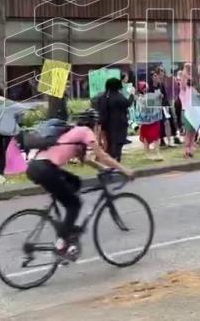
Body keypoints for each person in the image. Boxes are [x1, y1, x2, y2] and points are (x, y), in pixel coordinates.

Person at [26, 110, 134, 260]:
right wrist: (124, 170)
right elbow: (102, 155)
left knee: (75, 182)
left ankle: (67, 229)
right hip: (46, 169)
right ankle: (62, 245)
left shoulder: (72, 133)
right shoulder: (85, 132)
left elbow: (86, 160)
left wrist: (105, 169)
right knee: (74, 204)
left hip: (35, 167)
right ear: (94, 125)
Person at [95, 77, 133, 161]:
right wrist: (132, 95)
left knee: (108, 144)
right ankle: (115, 162)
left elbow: (99, 109)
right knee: (117, 145)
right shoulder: (118, 96)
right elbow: (128, 103)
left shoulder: (102, 97)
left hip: (105, 124)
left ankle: (108, 162)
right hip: (119, 124)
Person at [134, 81, 164, 160]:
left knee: (156, 137)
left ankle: (157, 153)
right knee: (146, 138)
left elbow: (158, 103)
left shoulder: (150, 96)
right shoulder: (140, 98)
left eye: (146, 87)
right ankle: (147, 153)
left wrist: (159, 98)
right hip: (146, 122)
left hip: (154, 120)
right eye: (143, 88)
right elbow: (140, 109)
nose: (145, 89)